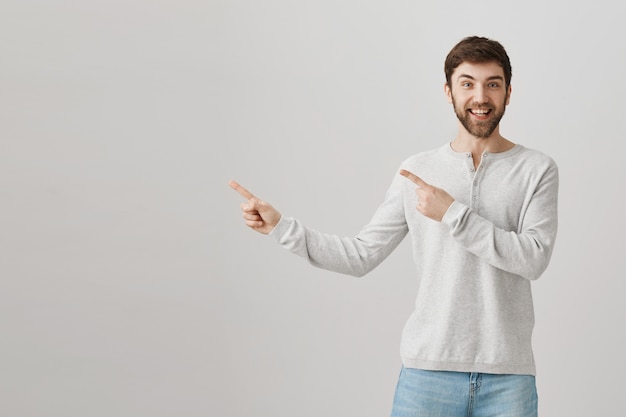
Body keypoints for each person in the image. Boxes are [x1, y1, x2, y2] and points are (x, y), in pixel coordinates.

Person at [229, 36, 558, 417]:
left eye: (492, 84)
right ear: (448, 91)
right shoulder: (418, 171)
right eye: (467, 83)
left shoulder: (537, 169)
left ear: (508, 92)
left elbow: (533, 259)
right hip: (427, 375)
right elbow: (361, 255)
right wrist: (281, 227)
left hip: (509, 378)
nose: (480, 96)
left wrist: (452, 213)